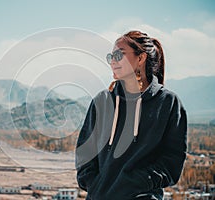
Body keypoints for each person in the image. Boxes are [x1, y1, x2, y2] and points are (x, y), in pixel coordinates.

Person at [75, 30, 187, 200]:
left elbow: (172, 161)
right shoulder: (102, 101)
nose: (113, 61)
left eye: (119, 55)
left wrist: (135, 183)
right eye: (110, 56)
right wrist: (95, 184)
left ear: (141, 58)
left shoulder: (167, 103)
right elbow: (85, 153)